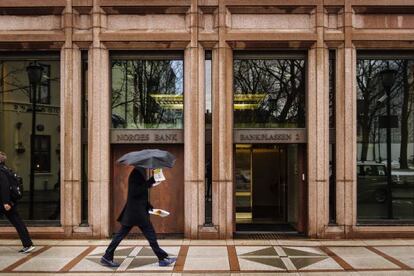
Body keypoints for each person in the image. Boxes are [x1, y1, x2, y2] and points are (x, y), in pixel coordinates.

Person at [101, 167, 176, 267]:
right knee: (150, 235)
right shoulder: (136, 173)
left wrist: (149, 206)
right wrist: (151, 181)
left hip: (136, 212)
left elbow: (141, 193)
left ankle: (107, 256)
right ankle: (162, 259)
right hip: (136, 213)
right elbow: (135, 192)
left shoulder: (140, 172)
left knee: (123, 235)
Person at [0, 151, 35, 253]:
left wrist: (6, 203)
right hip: (9, 202)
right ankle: (28, 244)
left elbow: (4, 187)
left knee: (18, 223)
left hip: (5, 203)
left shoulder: (1, 171)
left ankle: (28, 244)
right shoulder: (6, 169)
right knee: (18, 222)